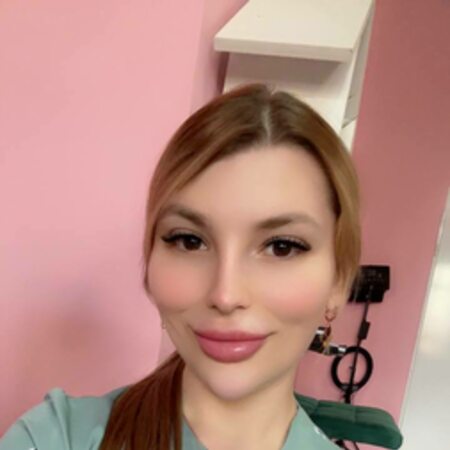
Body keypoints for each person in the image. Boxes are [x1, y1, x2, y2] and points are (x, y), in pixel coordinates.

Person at [0, 83, 361, 450]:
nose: (225, 295)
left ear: (340, 280)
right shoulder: (56, 438)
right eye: (190, 241)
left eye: (281, 247)